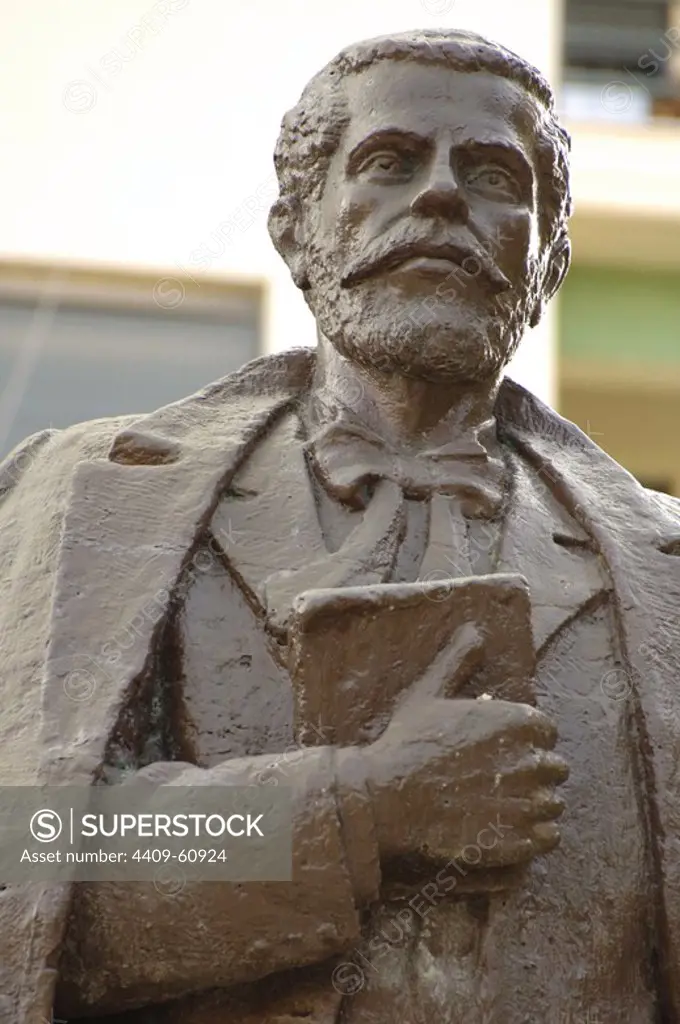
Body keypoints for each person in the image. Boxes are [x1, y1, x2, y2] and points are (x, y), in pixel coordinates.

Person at [1, 28, 679, 1024]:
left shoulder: (662, 572)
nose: (441, 195)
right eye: (388, 163)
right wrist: (357, 810)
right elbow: (29, 861)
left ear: (549, 263)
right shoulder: (75, 506)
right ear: (294, 228)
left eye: (492, 176)